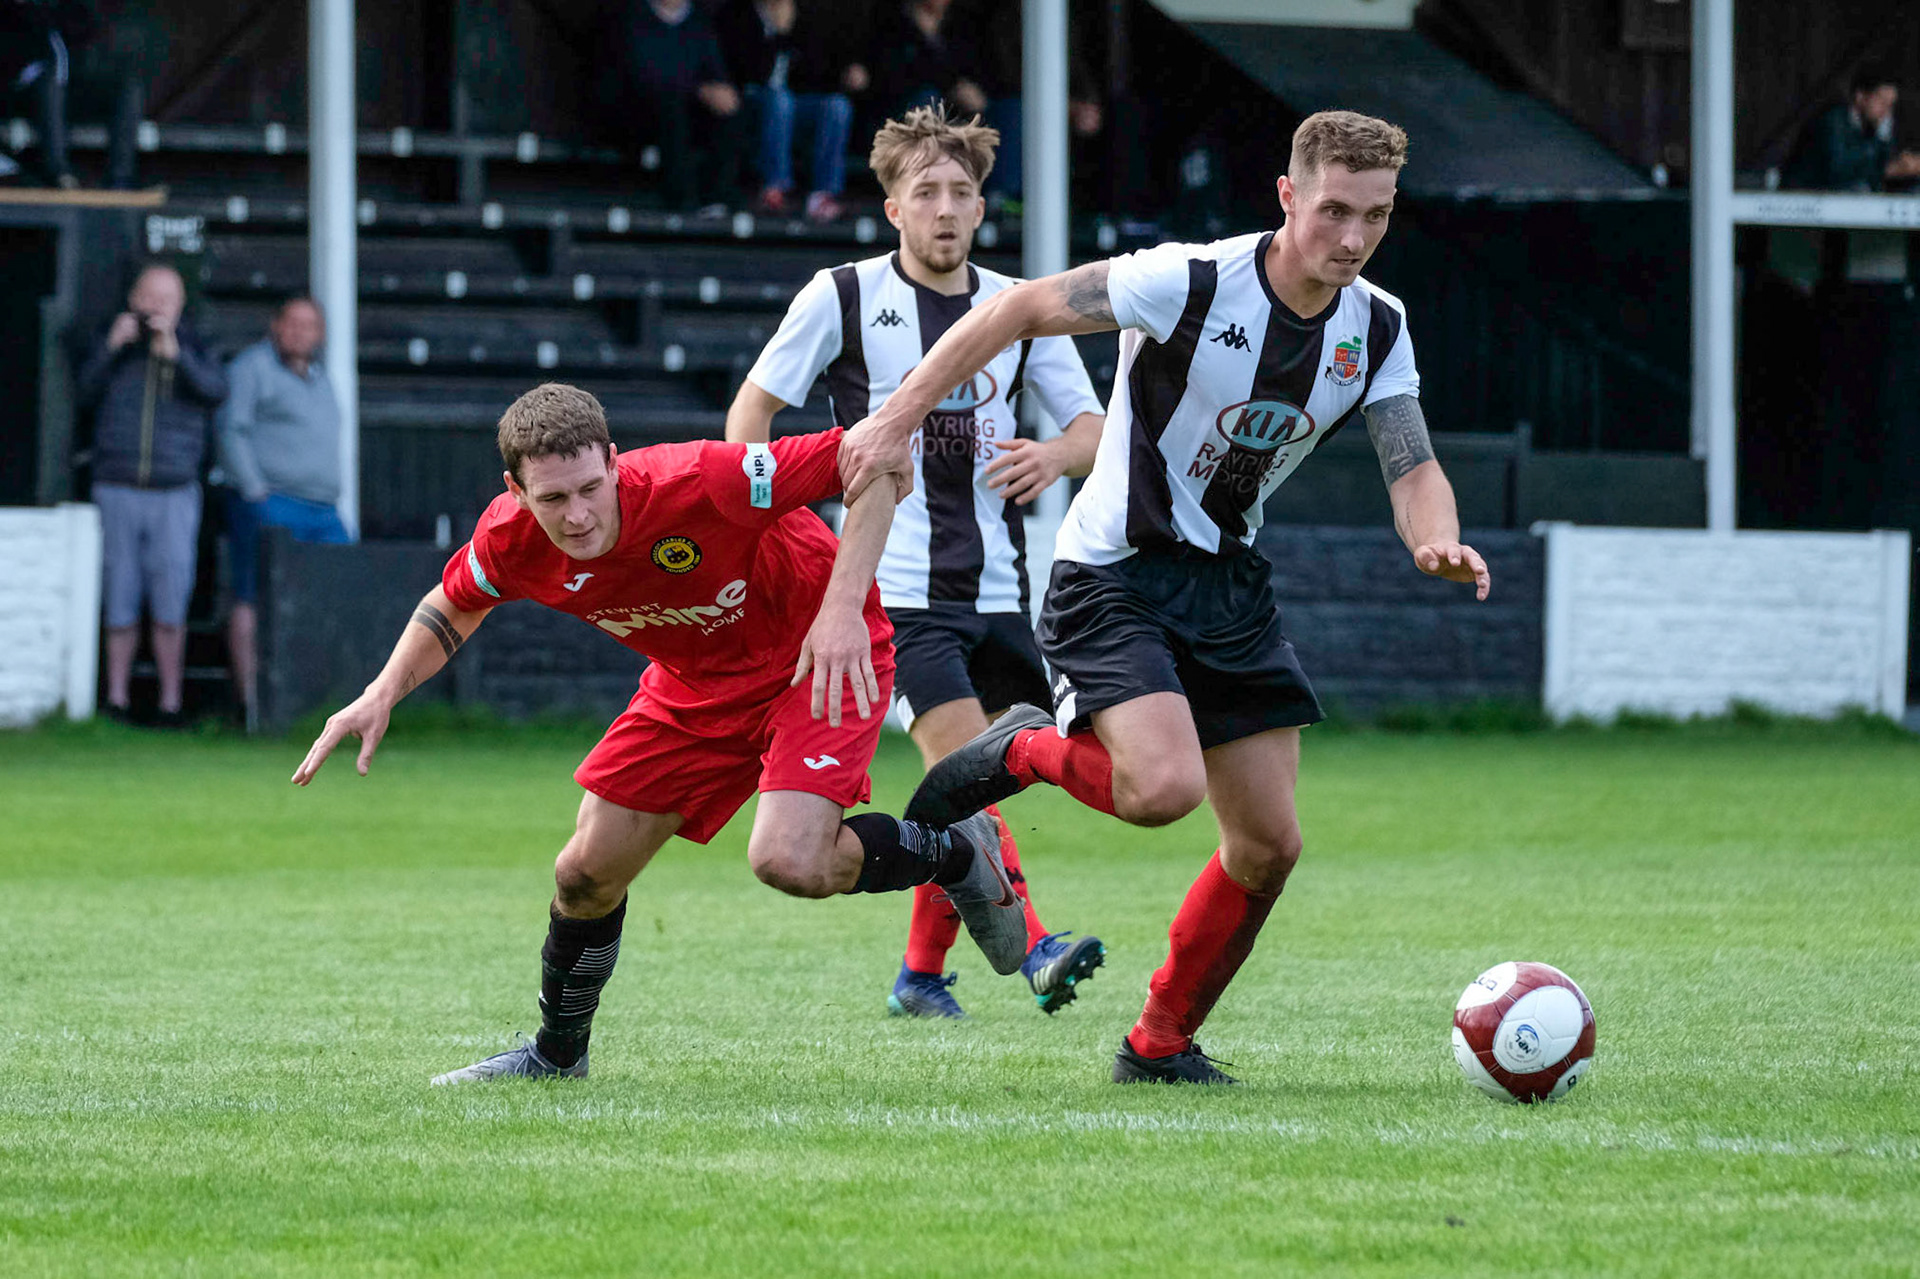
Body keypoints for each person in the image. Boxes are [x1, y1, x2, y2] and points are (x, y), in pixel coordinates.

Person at [840, 110, 1492, 1083]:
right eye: (1333, 211)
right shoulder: (1189, 280)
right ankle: (1019, 744)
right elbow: (1015, 309)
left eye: (1377, 217)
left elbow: (1411, 463)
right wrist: (895, 419)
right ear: (1287, 197)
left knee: (1269, 844)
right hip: (1113, 575)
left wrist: (1435, 535)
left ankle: (1159, 1044)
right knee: (1161, 791)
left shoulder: (1377, 326)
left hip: (1230, 586)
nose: (1352, 239)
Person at [292, 382, 1026, 1085]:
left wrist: (840, 610)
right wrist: (382, 691)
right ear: (516, 492)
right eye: (552, 498)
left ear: (613, 460)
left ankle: (955, 852)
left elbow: (878, 457)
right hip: (698, 682)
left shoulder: (703, 478)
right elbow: (454, 602)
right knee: (584, 872)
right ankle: (556, 1056)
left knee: (789, 860)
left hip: (816, 653)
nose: (577, 515)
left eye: (589, 488)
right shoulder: (511, 538)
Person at [725, 104, 1108, 1019]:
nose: (945, 208)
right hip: (892, 598)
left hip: (1004, 592)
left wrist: (1055, 456)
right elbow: (751, 416)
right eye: (924, 191)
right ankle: (1037, 948)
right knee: (964, 764)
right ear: (891, 208)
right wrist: (772, 524)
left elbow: (1096, 431)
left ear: (983, 208)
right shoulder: (842, 295)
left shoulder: (1018, 306)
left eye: (961, 192)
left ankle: (921, 974)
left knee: (978, 780)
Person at [74, 262, 228, 726]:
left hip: (174, 489)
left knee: (170, 598)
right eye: (148, 297)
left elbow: (215, 390)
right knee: (119, 595)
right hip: (117, 483)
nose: (155, 307)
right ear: (133, 298)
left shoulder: (199, 345)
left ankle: (170, 701)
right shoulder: (110, 339)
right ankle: (117, 697)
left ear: (180, 306)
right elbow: (81, 394)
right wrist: (111, 348)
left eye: (166, 299)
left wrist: (175, 355)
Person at [218, 296, 347, 726]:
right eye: (291, 323)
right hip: (272, 503)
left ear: (320, 334)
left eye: (308, 325)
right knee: (252, 595)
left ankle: (319, 702)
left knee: (337, 593)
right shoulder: (251, 369)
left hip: (323, 510)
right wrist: (254, 491)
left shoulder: (322, 378)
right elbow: (230, 429)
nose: (298, 332)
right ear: (275, 325)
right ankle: (253, 706)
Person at [715, 0, 863, 223]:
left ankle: (823, 195)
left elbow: (816, 74)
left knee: (836, 106)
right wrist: (779, 36)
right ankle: (774, 188)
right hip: (750, 102)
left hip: (793, 105)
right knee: (779, 100)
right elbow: (747, 72)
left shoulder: (806, 15)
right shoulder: (738, 15)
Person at [608, 0, 749, 213]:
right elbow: (641, 75)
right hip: (642, 110)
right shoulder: (633, 18)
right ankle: (682, 199)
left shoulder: (699, 23)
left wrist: (720, 92)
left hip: (692, 107)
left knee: (728, 108)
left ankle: (719, 197)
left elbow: (715, 71)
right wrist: (697, 91)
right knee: (673, 109)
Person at [1783, 69, 1920, 193]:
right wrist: (1890, 169)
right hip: (1809, 195)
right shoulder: (1832, 121)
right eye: (1881, 101)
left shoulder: (1876, 125)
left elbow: (1881, 163)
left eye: (1890, 104)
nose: (1886, 110)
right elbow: (1839, 170)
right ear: (1860, 97)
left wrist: (1905, 164)